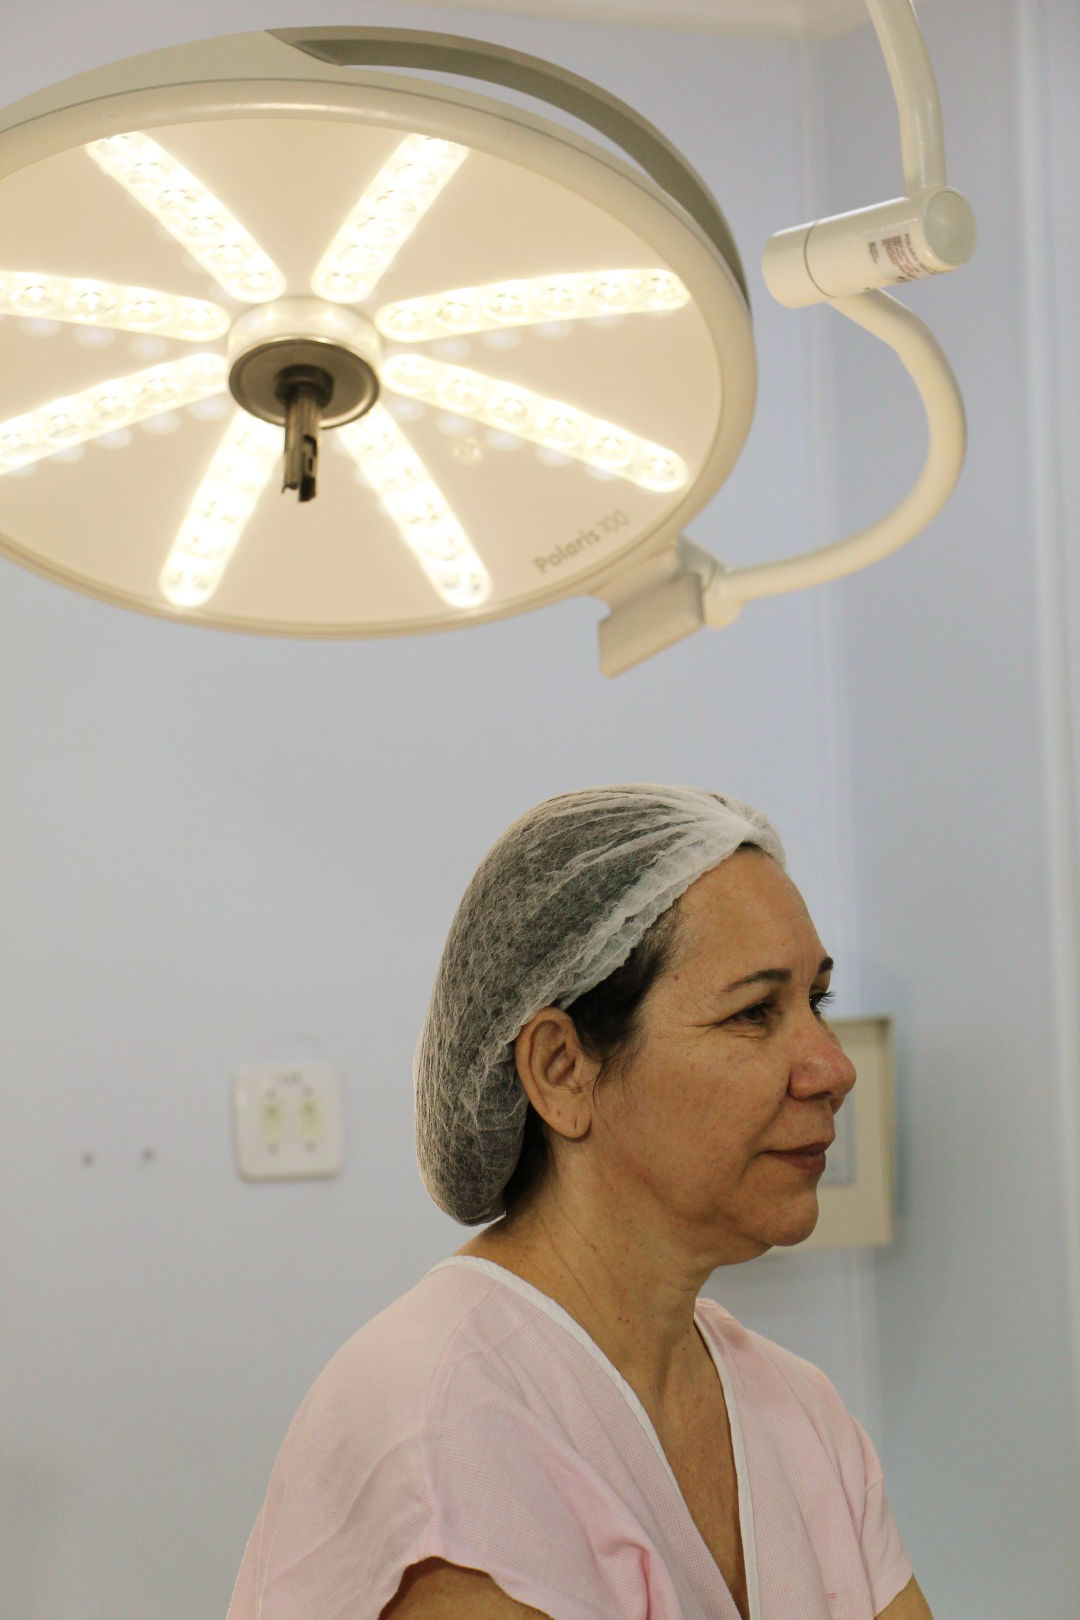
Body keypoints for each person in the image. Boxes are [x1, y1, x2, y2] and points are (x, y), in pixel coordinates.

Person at [227, 784, 933, 1620]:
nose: (833, 1069)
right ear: (561, 1071)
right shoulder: (439, 1426)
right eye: (753, 1013)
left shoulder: (800, 1415)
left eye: (816, 1002)